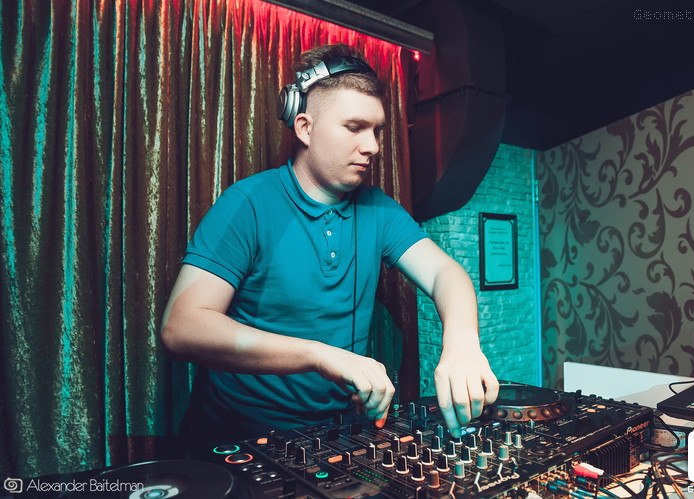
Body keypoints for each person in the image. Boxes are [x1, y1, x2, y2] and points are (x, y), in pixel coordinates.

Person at [160, 44, 499, 440]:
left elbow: (445, 273)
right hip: (242, 438)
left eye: (376, 131)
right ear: (304, 127)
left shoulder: (379, 210)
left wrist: (462, 343)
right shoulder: (248, 203)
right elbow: (181, 326)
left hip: (336, 434)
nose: (372, 146)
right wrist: (319, 355)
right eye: (355, 127)